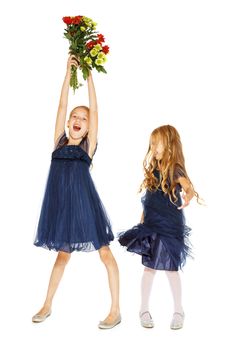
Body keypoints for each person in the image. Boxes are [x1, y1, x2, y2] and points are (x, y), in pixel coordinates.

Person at [32, 55, 121, 329]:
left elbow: (96, 109)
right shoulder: (59, 141)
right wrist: (66, 74)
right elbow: (61, 105)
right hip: (61, 208)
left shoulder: (88, 146)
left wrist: (89, 75)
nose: (78, 119)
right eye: (75, 116)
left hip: (85, 206)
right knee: (62, 255)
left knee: (104, 253)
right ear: (69, 122)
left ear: (88, 126)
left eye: (84, 118)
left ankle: (115, 310)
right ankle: (47, 304)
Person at [119, 125, 199, 330]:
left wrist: (188, 196)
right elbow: (148, 200)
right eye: (151, 143)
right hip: (152, 224)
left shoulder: (176, 169)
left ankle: (178, 310)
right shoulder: (153, 171)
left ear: (170, 145)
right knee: (149, 268)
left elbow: (188, 187)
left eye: (157, 143)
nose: (153, 147)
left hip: (170, 226)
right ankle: (143, 309)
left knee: (171, 270)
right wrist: (142, 222)